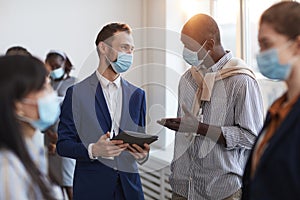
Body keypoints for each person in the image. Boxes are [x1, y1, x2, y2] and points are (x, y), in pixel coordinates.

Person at [157, 14, 264, 199]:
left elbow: (251, 137)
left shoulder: (241, 81)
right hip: (183, 189)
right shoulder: (187, 79)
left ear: (208, 45)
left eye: (188, 46)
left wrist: (200, 128)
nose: (184, 52)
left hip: (222, 192)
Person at [56, 22, 150, 200]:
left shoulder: (138, 95)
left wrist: (142, 155)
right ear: (103, 48)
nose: (129, 54)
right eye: (124, 47)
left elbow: (140, 142)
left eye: (132, 50)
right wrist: (94, 150)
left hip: (130, 190)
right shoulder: (77, 94)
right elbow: (63, 145)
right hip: (92, 190)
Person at [242, 2, 300, 199]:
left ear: (297, 45)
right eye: (259, 46)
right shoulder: (278, 109)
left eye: (267, 44)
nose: (261, 54)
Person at [0, 55, 60, 199]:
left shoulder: (32, 149)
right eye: (44, 88)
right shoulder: (7, 169)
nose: (52, 95)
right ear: (18, 106)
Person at [44, 50, 76, 200]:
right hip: (49, 136)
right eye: (51, 66)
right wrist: (48, 133)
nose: (53, 69)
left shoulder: (74, 83)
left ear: (64, 64)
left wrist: (59, 138)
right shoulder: (46, 83)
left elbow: (78, 114)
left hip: (64, 137)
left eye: (56, 66)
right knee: (53, 181)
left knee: (68, 181)